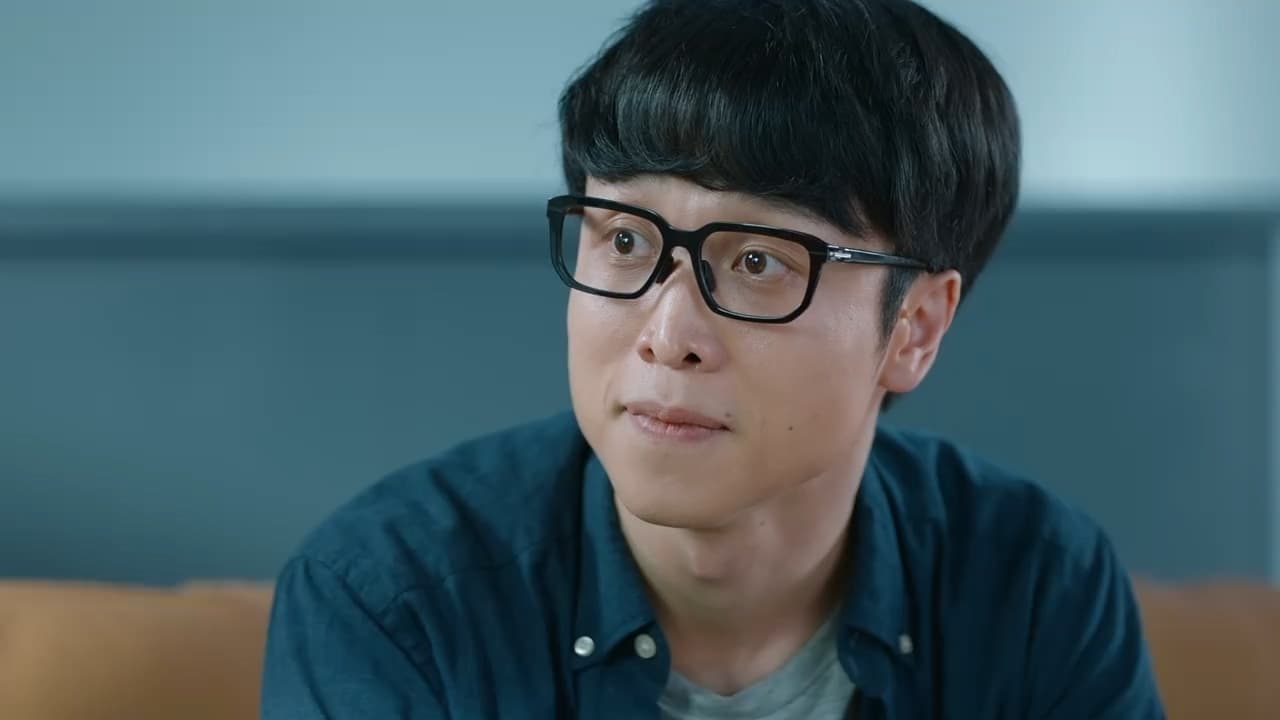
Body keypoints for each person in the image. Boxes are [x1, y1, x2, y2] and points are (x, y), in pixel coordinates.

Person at [261, 0, 1165, 717]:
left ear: (915, 328)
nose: (668, 332)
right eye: (623, 239)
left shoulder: (1037, 589)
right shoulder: (393, 598)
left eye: (760, 262)